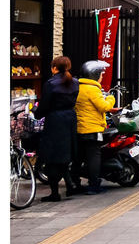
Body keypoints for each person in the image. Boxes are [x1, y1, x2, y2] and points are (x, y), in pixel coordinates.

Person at [36, 56, 80, 201]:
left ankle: (55, 193)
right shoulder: (74, 82)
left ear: (54, 68)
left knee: (52, 157)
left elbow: (45, 104)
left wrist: (37, 114)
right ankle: (70, 184)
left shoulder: (51, 84)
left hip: (55, 121)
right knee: (65, 154)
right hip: (70, 119)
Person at [72, 60, 117, 195]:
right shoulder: (92, 89)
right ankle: (93, 185)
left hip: (79, 128)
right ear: (95, 75)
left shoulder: (77, 87)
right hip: (92, 129)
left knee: (78, 157)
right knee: (93, 157)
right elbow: (104, 107)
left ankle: (75, 183)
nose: (102, 76)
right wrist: (111, 98)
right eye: (101, 74)